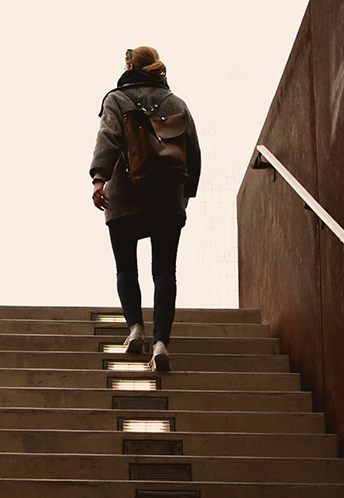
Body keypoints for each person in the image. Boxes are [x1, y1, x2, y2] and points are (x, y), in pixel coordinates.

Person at [90, 46, 201, 372]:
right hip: (167, 200)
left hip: (125, 196)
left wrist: (99, 179)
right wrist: (186, 193)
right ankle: (161, 342)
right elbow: (192, 148)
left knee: (126, 268)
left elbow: (108, 138)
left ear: (129, 66)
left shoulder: (116, 99)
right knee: (164, 271)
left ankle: (135, 328)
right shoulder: (175, 103)